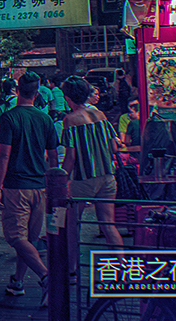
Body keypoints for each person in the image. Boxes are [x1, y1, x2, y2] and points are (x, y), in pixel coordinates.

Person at [0, 71, 59, 303]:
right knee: (28, 240)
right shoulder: (45, 119)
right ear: (38, 92)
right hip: (39, 187)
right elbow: (53, 157)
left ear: (17, 90)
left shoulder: (9, 118)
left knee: (15, 238)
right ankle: (18, 282)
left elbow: (3, 155)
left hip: (15, 187)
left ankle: (45, 277)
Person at [60, 75, 123, 280]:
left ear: (68, 98)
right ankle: (123, 267)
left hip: (84, 180)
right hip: (107, 176)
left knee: (72, 224)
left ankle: (72, 268)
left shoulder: (70, 120)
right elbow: (114, 146)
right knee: (108, 223)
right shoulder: (101, 115)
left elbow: (70, 157)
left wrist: (63, 179)